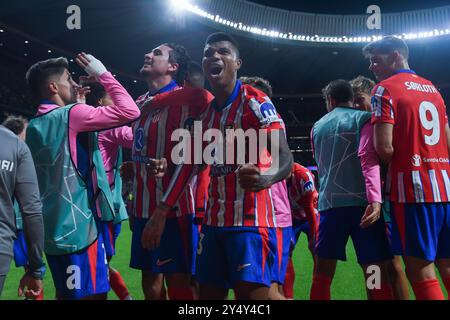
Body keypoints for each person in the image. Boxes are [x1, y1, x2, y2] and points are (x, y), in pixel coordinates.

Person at [142, 32, 293, 300]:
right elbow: (188, 167)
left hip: (250, 223)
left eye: (223, 52)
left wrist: (265, 177)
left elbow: (284, 157)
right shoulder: (206, 116)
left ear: (237, 63)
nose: (214, 56)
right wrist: (161, 212)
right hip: (212, 226)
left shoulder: (255, 102)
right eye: (209, 53)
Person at [25, 54, 140, 300]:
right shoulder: (72, 116)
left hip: (56, 228)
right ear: (53, 87)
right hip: (81, 228)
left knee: (71, 293)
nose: (75, 83)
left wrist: (78, 103)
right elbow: (130, 111)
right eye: (68, 79)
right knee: (92, 296)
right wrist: (102, 73)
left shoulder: (35, 125)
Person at [364, 36, 450, 300]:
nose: (372, 66)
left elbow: (384, 147)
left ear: (396, 56)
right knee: (447, 265)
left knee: (421, 272)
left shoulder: (383, 89)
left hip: (412, 191)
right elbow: (447, 139)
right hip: (445, 188)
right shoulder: (431, 88)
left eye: (376, 59)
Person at [131, 43, 213, 300]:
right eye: (149, 51)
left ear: (173, 67)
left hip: (175, 210)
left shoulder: (187, 101)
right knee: (149, 280)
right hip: (142, 207)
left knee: (180, 283)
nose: (148, 54)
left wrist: (161, 211)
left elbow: (191, 160)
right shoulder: (139, 103)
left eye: (157, 53)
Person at [310, 79, 393, 300]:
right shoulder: (364, 119)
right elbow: (368, 159)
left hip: (330, 207)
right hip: (363, 208)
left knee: (322, 272)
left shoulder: (317, 126)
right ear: (352, 98)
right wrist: (375, 199)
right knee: (373, 270)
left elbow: (319, 163)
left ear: (330, 100)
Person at [350, 75, 410, 300]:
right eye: (353, 102)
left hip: (383, 204)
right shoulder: (364, 125)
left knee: (387, 266)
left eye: (360, 100)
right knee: (378, 266)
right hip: (373, 205)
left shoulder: (378, 125)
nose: (357, 106)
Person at [240, 75, 292, 300]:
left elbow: (285, 165)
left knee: (268, 289)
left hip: (273, 215)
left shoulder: (269, 123)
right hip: (251, 215)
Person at [83, 82, 133, 300]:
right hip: (103, 208)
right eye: (112, 98)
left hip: (84, 203)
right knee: (99, 263)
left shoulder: (78, 120)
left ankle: (125, 296)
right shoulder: (108, 124)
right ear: (102, 103)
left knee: (94, 262)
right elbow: (141, 140)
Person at [2, 115, 46, 300]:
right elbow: (32, 211)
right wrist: (37, 269)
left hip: (14, 230)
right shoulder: (16, 146)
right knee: (29, 268)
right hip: (9, 233)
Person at [284, 162, 318, 299]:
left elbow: (309, 207)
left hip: (310, 213)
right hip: (291, 216)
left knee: (317, 251)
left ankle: (317, 292)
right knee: (285, 253)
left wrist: (314, 235)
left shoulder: (303, 176)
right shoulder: (273, 175)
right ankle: (288, 296)